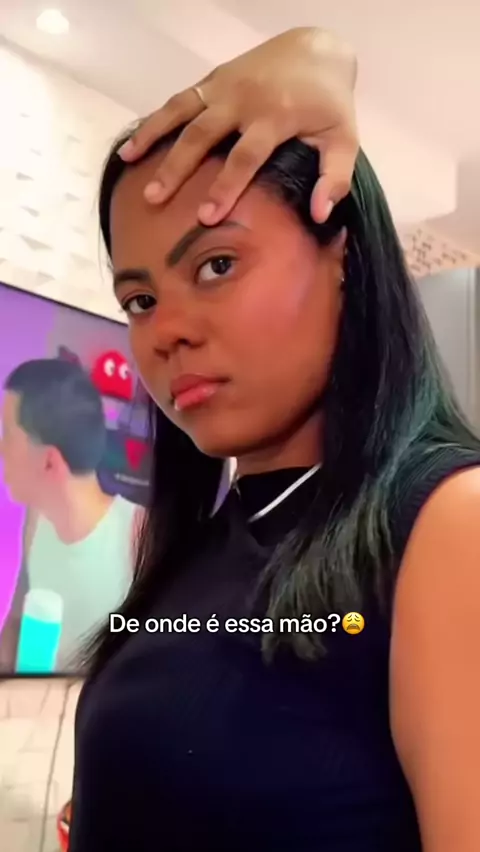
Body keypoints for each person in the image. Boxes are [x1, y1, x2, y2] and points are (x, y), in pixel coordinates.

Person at [68, 27, 480, 852]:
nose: (167, 331)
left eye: (216, 265)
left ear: (345, 259)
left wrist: (319, 49)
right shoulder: (199, 545)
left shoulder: (448, 524)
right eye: (140, 300)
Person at [0, 359, 141, 673]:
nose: (1, 449)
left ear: (49, 462)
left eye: (7, 435)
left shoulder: (139, 536)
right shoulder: (36, 520)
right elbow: (17, 621)